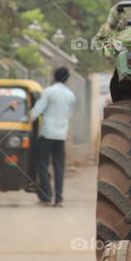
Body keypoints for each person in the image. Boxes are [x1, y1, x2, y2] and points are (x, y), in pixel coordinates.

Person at [27, 66, 77, 206]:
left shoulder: (49, 91)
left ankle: (47, 195)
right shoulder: (71, 95)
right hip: (61, 135)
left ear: (54, 77)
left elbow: (37, 110)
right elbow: (70, 115)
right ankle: (59, 198)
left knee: (42, 164)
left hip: (47, 133)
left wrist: (27, 120)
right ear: (67, 79)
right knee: (59, 166)